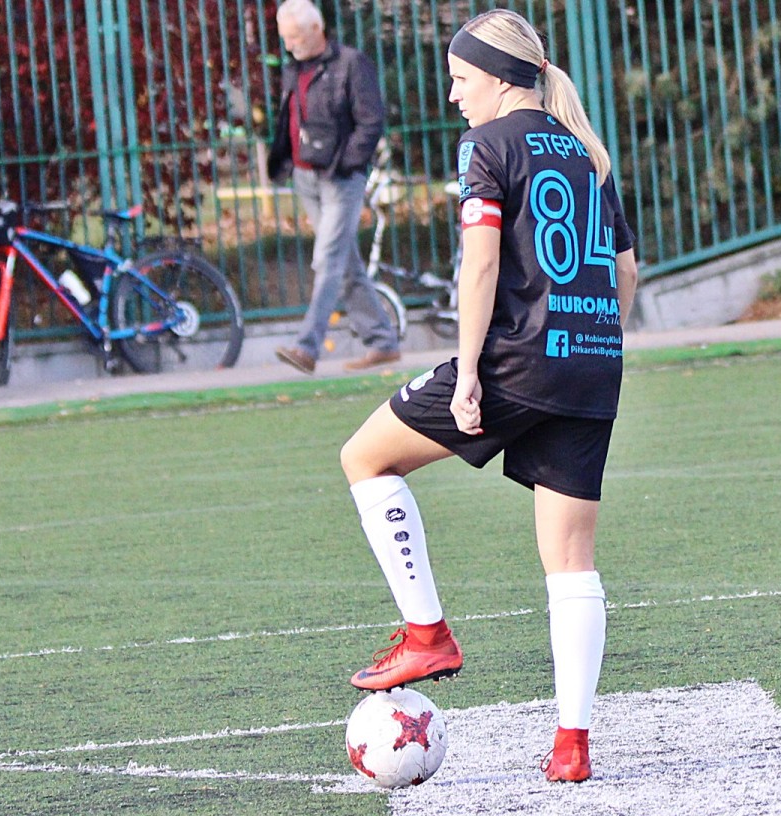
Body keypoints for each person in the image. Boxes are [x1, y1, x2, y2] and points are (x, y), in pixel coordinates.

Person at [338, 8, 639, 784]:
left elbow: (479, 266)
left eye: (460, 78)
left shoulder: (490, 145)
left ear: (501, 80)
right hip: (592, 364)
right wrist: (596, 347)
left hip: (515, 360)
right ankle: (572, 746)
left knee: (365, 458)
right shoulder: (586, 150)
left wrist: (468, 370)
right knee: (571, 565)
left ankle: (427, 633)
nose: (453, 95)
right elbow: (625, 271)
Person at [268, 0, 400, 374]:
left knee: (327, 259)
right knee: (345, 264)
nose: (289, 45)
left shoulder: (350, 63)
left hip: (340, 179)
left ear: (317, 28)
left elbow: (371, 122)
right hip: (306, 177)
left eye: (294, 36)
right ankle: (383, 341)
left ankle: (307, 347)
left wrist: (347, 164)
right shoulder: (294, 68)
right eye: (285, 38)